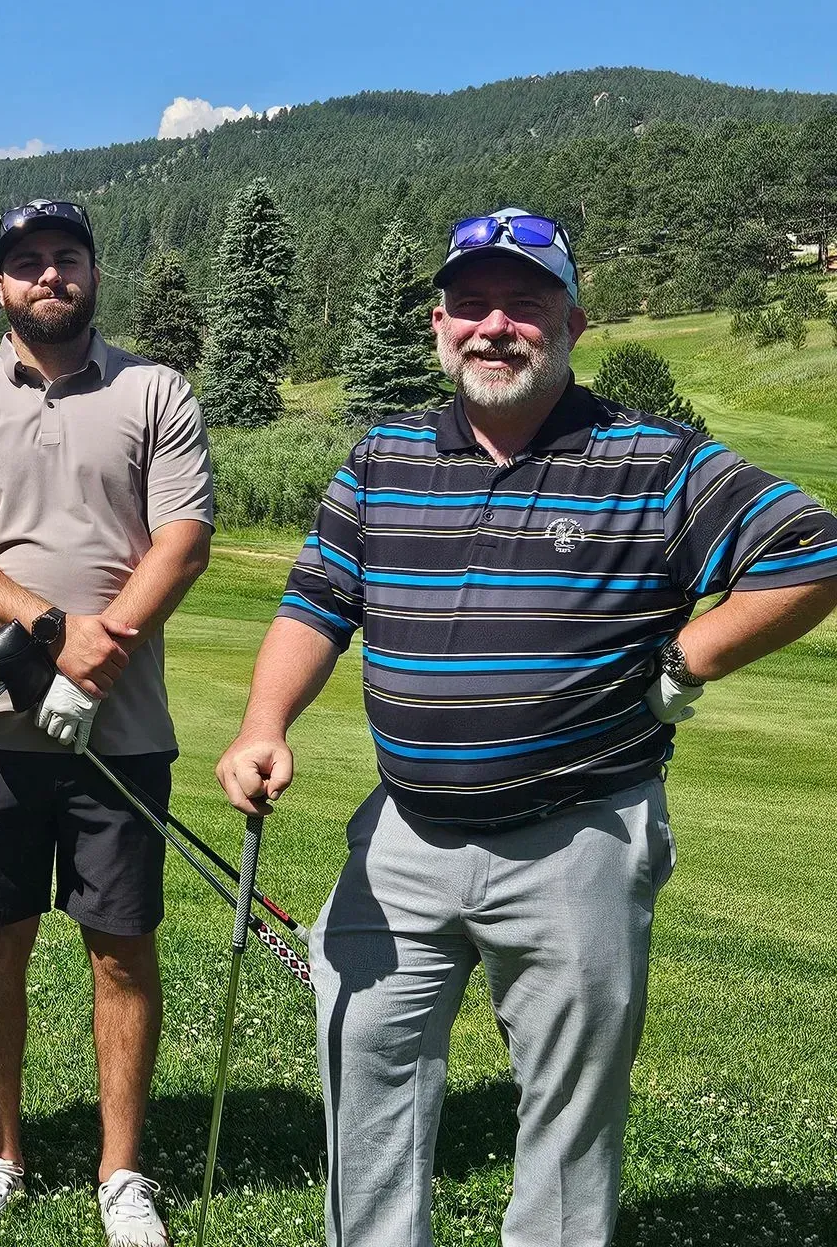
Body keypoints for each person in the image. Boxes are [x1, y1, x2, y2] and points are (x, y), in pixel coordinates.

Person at [214, 208, 837, 1247]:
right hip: (402, 838)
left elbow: (809, 553)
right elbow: (317, 601)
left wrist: (692, 658)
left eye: (525, 303)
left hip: (579, 838)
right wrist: (263, 722)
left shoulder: (656, 459)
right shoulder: (383, 459)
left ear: (573, 321)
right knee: (360, 1070)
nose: (494, 326)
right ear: (438, 324)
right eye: (471, 304)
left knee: (568, 1115)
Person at [0, 199, 216, 1245]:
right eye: (27, 263)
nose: (49, 276)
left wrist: (102, 645)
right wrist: (49, 626)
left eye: (66, 259)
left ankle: (120, 1174)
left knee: (121, 947)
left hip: (121, 728)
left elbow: (182, 539)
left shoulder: (153, 391)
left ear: (92, 274)